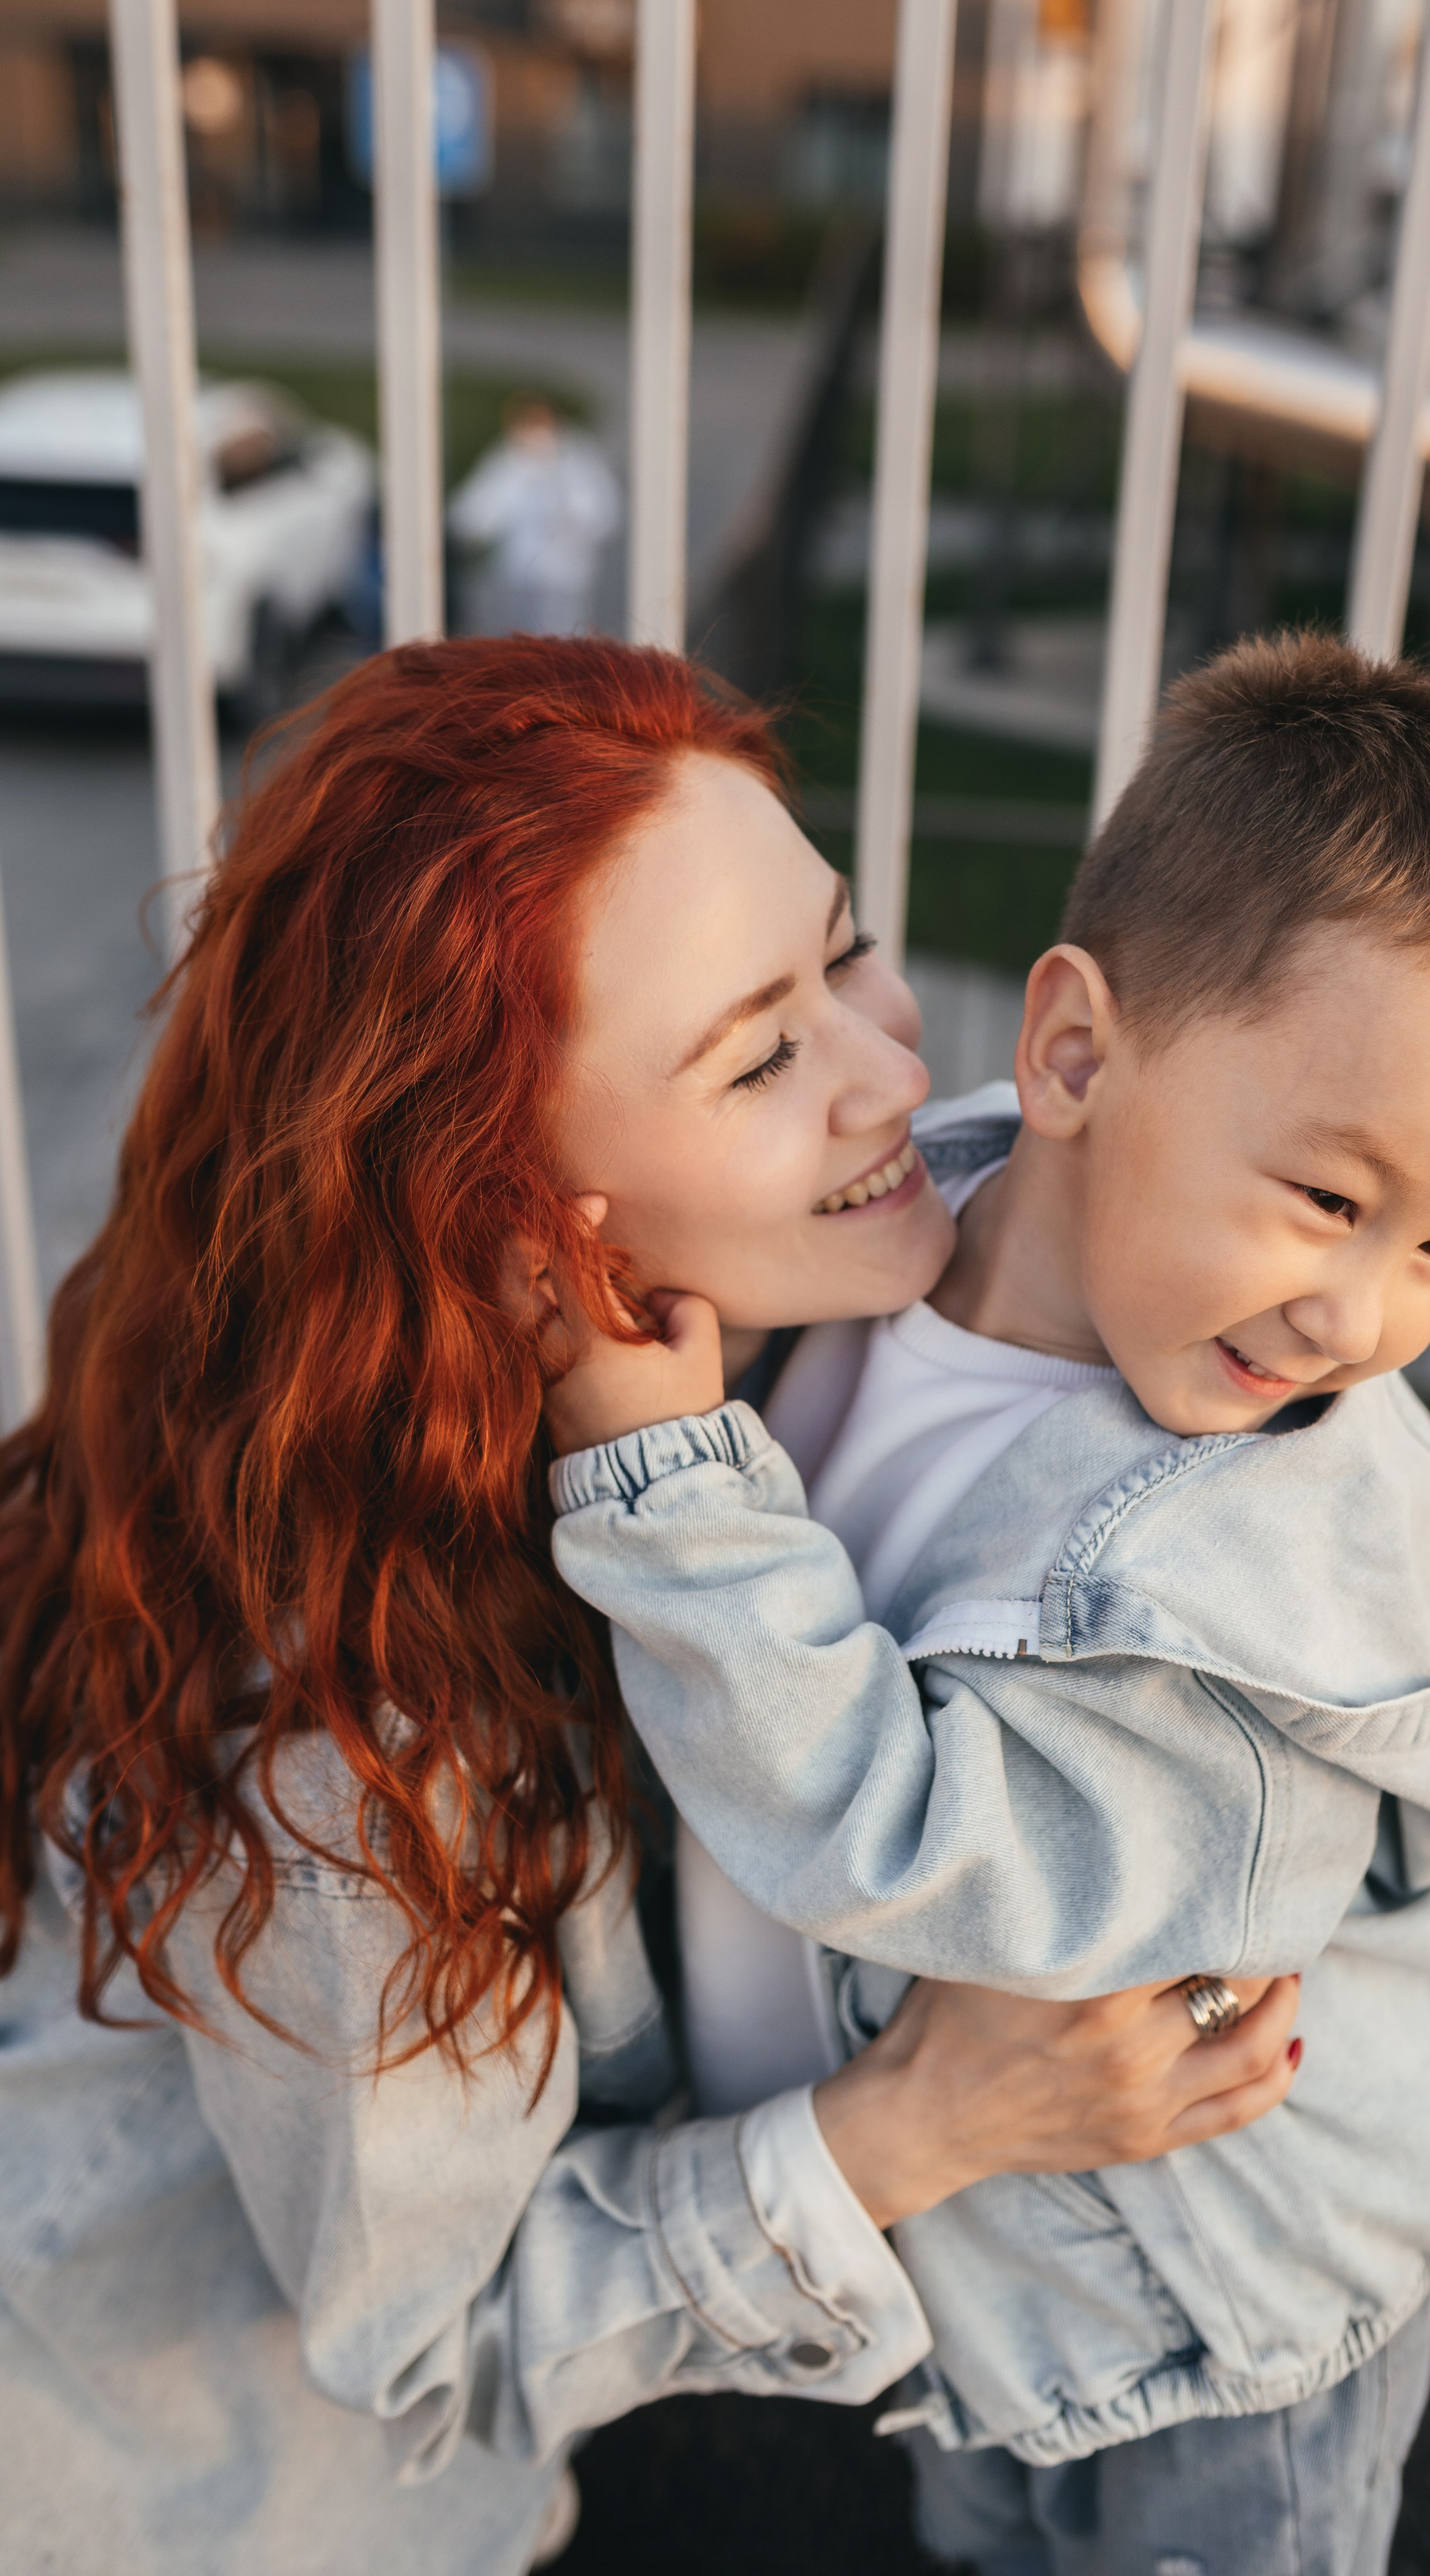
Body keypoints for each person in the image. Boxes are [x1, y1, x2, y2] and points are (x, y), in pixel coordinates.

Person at [0, 637, 1299, 2576]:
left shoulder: (697, 1369)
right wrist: (923, 2121)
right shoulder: (355, 1756)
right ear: (510, 1216)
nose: (895, 1066)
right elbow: (427, 2348)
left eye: (845, 953)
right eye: (762, 1056)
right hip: (206, 2496)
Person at [535, 635, 1430, 2576]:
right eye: (1326, 1198)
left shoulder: (1245, 1580)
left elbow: (902, 1839)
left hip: (1218, 2332)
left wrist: (657, 1484)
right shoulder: (896, 1239)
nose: (1367, 1320)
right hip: (1000, 2293)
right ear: (1073, 1057)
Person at [447, 396, 621, 639]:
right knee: (515, 641)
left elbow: (600, 515)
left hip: (564, 578)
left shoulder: (578, 461)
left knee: (563, 640)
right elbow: (472, 515)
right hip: (515, 576)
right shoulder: (507, 461)